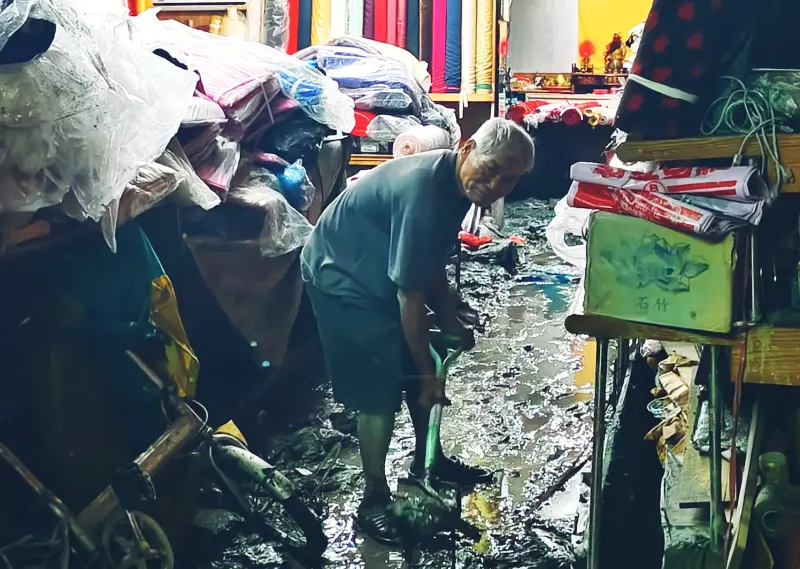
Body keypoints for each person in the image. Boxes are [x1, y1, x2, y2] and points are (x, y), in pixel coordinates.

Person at [301, 118, 535, 545]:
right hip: (342, 277)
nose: (497, 183)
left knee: (421, 362)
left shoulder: (455, 184)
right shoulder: (423, 192)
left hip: (380, 269)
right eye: (492, 168)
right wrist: (427, 373)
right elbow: (410, 297)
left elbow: (431, 263)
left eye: (511, 179)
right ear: (466, 148)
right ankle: (372, 500)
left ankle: (428, 462)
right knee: (381, 390)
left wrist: (448, 320)